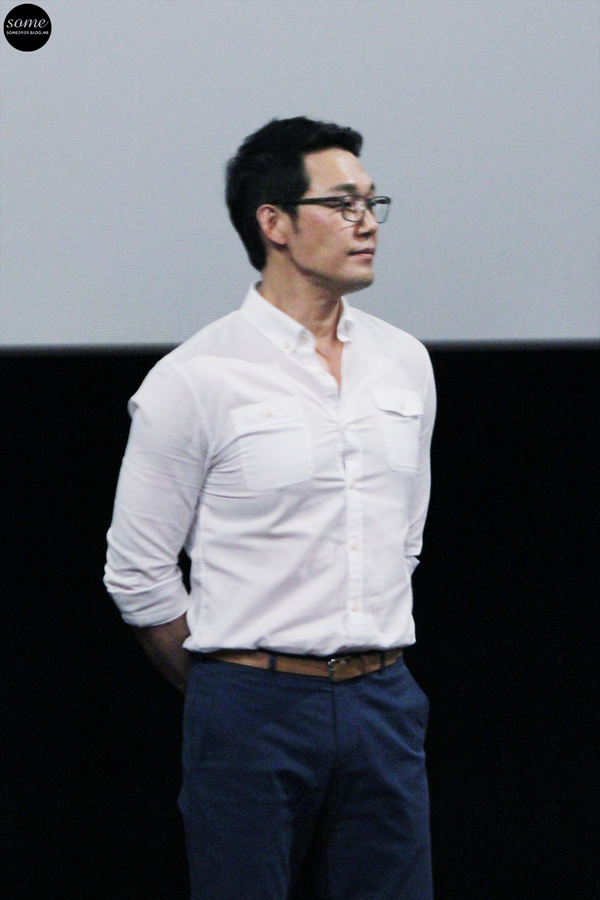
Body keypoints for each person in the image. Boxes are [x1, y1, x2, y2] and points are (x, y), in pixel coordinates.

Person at [104, 116, 436, 900]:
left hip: (384, 698)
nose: (367, 222)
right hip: (251, 706)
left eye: (372, 202)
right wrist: (229, 684)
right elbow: (138, 573)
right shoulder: (197, 377)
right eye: (343, 203)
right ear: (274, 224)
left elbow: (403, 539)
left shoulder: (404, 362)